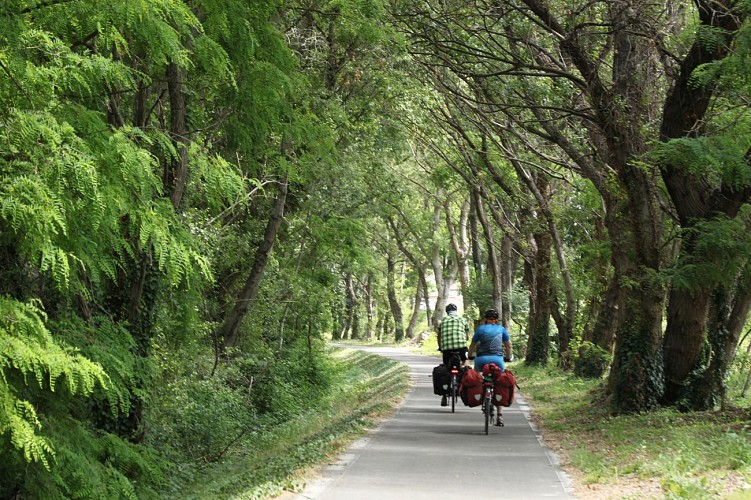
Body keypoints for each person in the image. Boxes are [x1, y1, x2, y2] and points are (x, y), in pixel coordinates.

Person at [468, 308, 513, 424]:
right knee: (499, 382)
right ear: (496, 320)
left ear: (485, 319)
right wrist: (508, 357)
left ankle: (480, 395)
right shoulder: (501, 329)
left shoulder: (480, 329)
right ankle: (500, 415)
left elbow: (473, 345)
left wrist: (470, 355)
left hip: (481, 359)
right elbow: (508, 346)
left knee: (477, 377)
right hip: (497, 359)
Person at [437, 303, 470, 407]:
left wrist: (440, 347)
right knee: (466, 359)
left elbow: (439, 336)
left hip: (447, 348)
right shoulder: (462, 319)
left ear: (447, 312)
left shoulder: (443, 321)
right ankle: (465, 372)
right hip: (461, 347)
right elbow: (467, 335)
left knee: (446, 367)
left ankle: (444, 396)